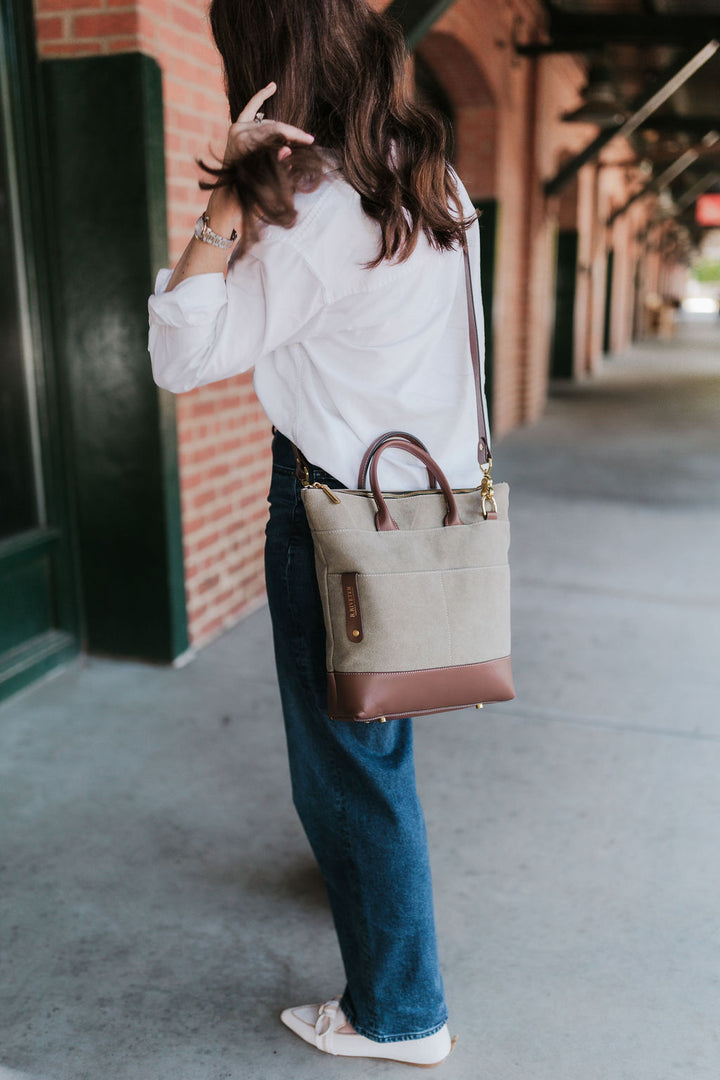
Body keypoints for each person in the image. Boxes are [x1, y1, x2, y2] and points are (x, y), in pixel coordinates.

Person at [147, 0, 489, 1067]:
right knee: (375, 738)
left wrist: (226, 202)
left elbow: (182, 353)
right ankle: (369, 900)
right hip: (424, 501)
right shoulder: (430, 179)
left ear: (265, 67)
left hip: (333, 512)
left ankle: (399, 1013)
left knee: (346, 763)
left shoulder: (311, 216)